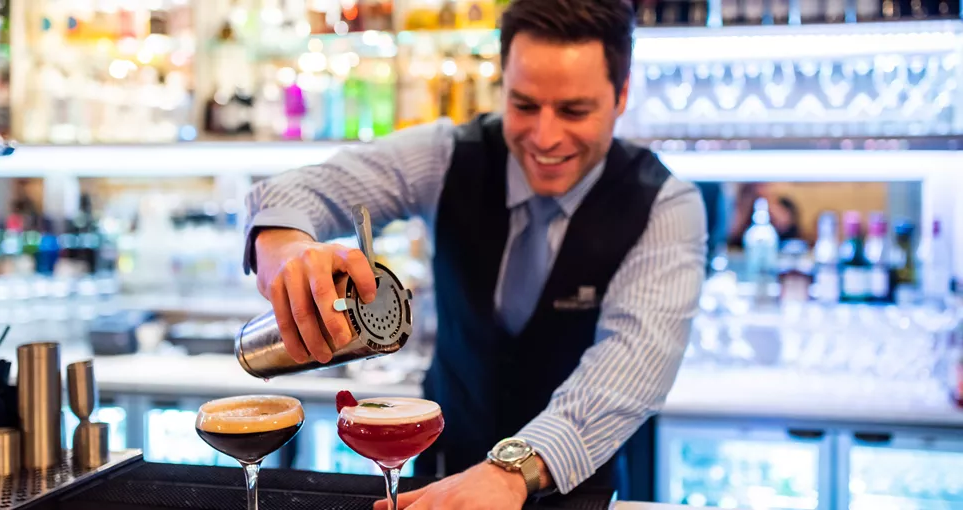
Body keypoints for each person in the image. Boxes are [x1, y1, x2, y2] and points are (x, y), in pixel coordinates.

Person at [243, 0, 706, 507]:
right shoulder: (447, 154)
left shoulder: (664, 204)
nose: (545, 138)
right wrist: (287, 249)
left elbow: (630, 366)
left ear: (620, 96)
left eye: (574, 110)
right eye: (524, 105)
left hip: (580, 490)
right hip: (439, 479)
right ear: (502, 85)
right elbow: (293, 193)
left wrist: (509, 474)